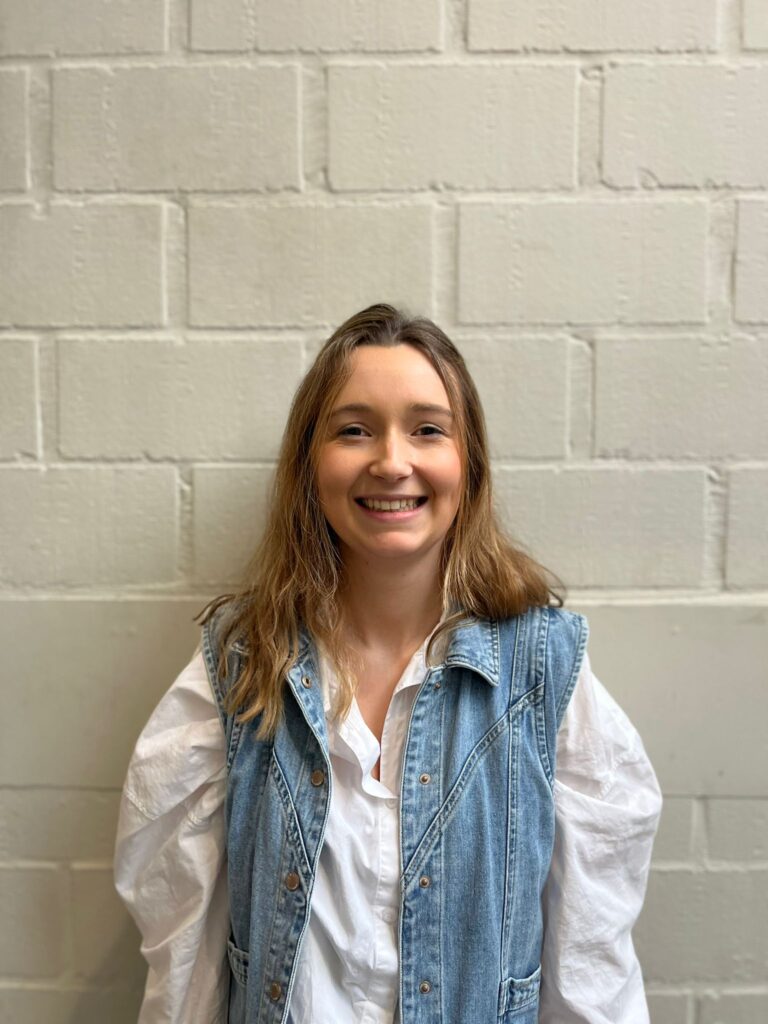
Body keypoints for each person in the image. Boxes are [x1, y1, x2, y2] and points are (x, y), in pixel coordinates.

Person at [114, 303, 662, 1023]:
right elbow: (184, 957)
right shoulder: (243, 665)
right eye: (354, 430)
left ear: (468, 463)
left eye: (428, 429)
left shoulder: (542, 675)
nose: (392, 462)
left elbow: (592, 967)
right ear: (311, 463)